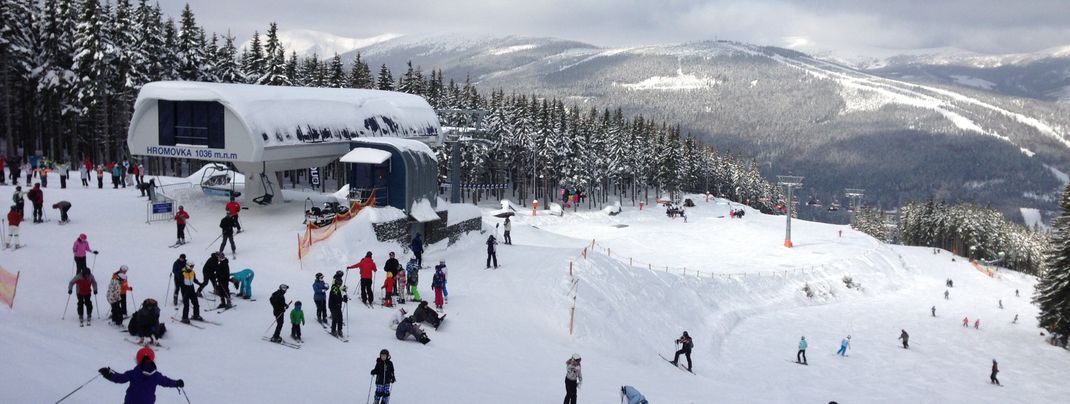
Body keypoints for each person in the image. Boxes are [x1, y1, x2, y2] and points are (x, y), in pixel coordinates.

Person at [99, 347, 184, 403]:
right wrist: (177, 383)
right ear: (153, 359)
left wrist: (109, 374)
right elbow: (167, 382)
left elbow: (120, 378)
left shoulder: (133, 373)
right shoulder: (156, 376)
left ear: (137, 360)